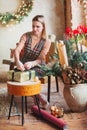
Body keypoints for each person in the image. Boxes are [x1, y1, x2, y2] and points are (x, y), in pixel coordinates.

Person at [14, 15, 51, 109]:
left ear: (43, 27)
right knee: (18, 74)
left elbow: (41, 59)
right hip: (23, 65)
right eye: (33, 26)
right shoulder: (26, 36)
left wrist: (32, 63)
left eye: (38, 26)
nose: (35, 29)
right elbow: (17, 50)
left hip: (38, 66)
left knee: (28, 74)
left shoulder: (46, 41)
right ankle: (38, 96)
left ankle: (35, 96)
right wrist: (18, 62)